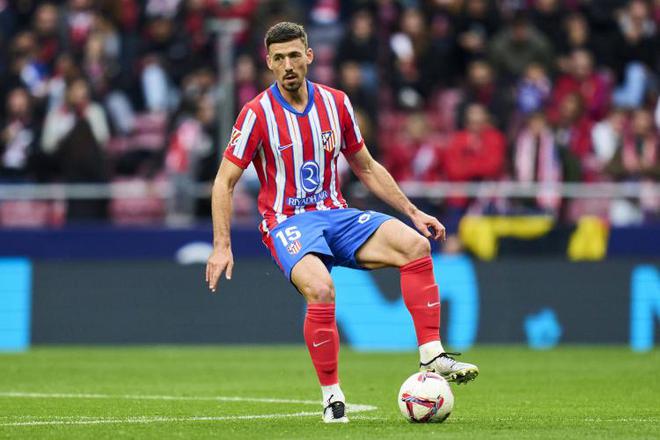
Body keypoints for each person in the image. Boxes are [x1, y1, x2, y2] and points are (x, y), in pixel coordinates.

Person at [205, 22, 478, 424]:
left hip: (337, 213)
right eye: (279, 58)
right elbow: (224, 181)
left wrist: (412, 211)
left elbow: (365, 166)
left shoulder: (336, 103)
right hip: (288, 221)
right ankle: (332, 396)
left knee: (415, 246)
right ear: (269, 63)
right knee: (320, 289)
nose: (288, 65)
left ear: (309, 56)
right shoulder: (256, 114)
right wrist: (221, 245)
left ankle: (432, 354)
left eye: (294, 55)